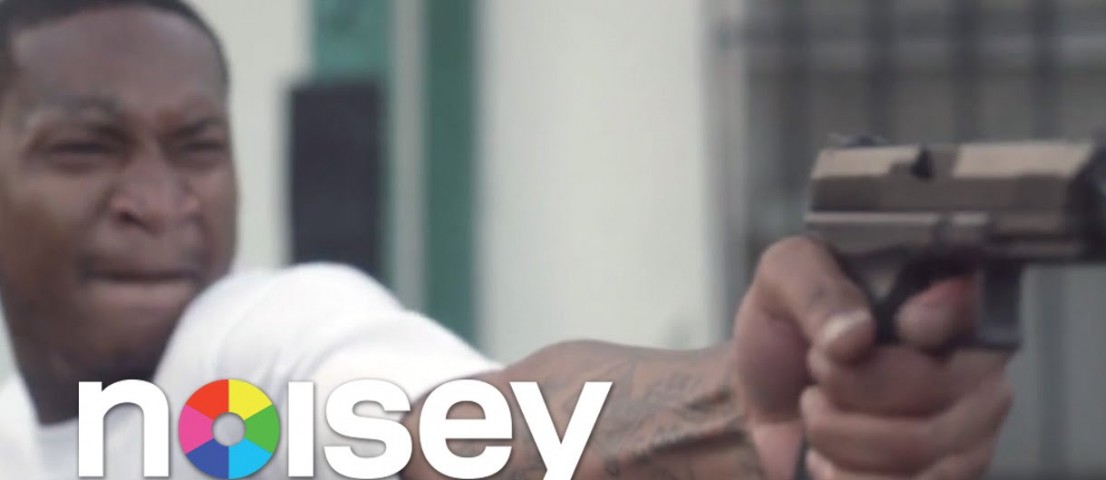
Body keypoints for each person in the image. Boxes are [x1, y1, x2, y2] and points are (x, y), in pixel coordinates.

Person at [0, 0, 1013, 478]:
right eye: (85, 149)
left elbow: (480, 423)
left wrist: (738, 411)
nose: (160, 202)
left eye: (197, 149)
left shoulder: (239, 369)